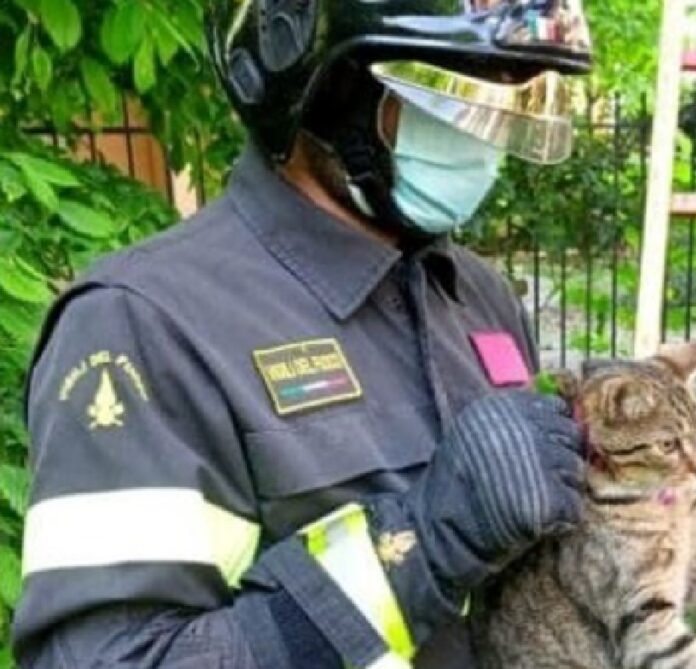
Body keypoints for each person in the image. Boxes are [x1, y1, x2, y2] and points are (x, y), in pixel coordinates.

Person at [12, 1, 593, 667]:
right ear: (325, 86)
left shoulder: (477, 296)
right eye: (453, 92)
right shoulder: (147, 326)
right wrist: (420, 547)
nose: (482, 136)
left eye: (515, 96)